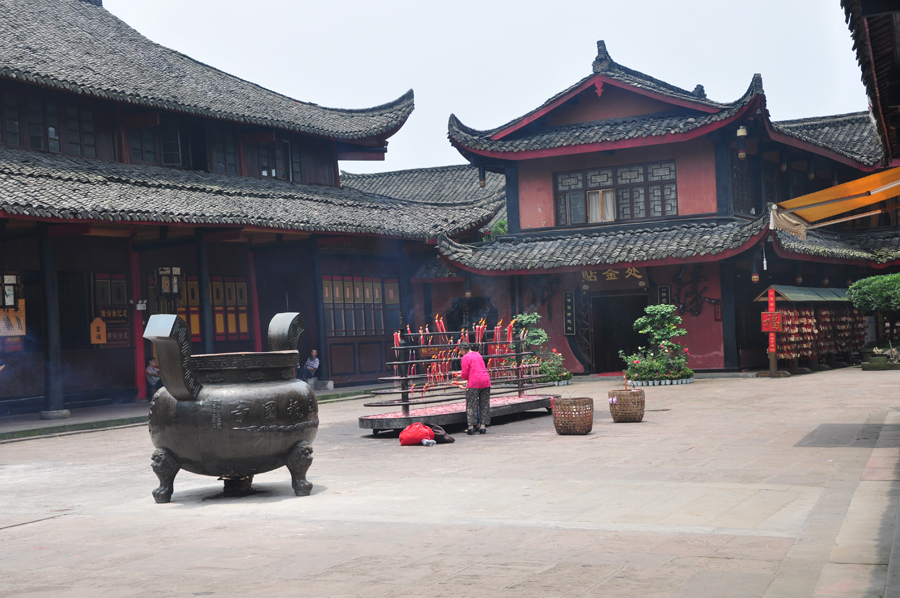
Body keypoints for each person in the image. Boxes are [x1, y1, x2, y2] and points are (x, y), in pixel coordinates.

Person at [458, 342, 491, 435]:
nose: (461, 353)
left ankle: (471, 427)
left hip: (474, 382)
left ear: (463, 349)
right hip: (485, 380)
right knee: (484, 404)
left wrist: (460, 376)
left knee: (471, 405)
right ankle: (483, 427)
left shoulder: (465, 357)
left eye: (460, 351)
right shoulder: (478, 354)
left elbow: (464, 374)